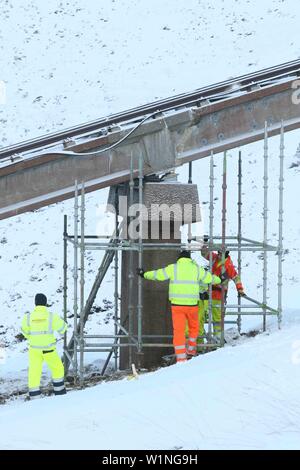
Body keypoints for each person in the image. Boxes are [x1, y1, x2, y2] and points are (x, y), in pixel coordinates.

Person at [137, 250, 219, 363]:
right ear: (189, 259)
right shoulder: (196, 269)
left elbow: (158, 275)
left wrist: (144, 274)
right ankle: (190, 350)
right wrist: (220, 279)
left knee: (179, 332)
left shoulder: (173, 268)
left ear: (179, 259)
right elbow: (209, 278)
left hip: (177, 306)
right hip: (192, 305)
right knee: (194, 328)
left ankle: (181, 358)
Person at [21, 293, 68, 399]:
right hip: (49, 350)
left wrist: (33, 338)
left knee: (34, 371)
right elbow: (63, 329)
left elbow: (24, 331)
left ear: (35, 303)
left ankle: (34, 397)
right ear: (46, 303)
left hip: (34, 350)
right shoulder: (52, 316)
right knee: (58, 369)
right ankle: (60, 393)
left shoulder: (28, 317)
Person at [200, 241, 245, 342]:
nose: (219, 255)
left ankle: (217, 340)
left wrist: (240, 289)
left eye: (221, 254)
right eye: (219, 253)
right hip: (208, 293)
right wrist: (204, 245)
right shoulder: (215, 258)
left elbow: (236, 277)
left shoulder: (228, 265)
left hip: (219, 295)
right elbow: (204, 254)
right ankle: (203, 340)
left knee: (217, 320)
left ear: (226, 254)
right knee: (202, 316)